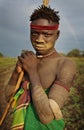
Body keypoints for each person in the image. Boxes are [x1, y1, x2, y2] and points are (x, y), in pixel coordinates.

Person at [5, 5, 76, 130]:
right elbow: (9, 99)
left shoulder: (64, 65)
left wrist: (32, 72)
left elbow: (46, 117)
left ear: (57, 35)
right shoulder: (28, 61)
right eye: (34, 34)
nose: (39, 39)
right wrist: (16, 73)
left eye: (46, 34)